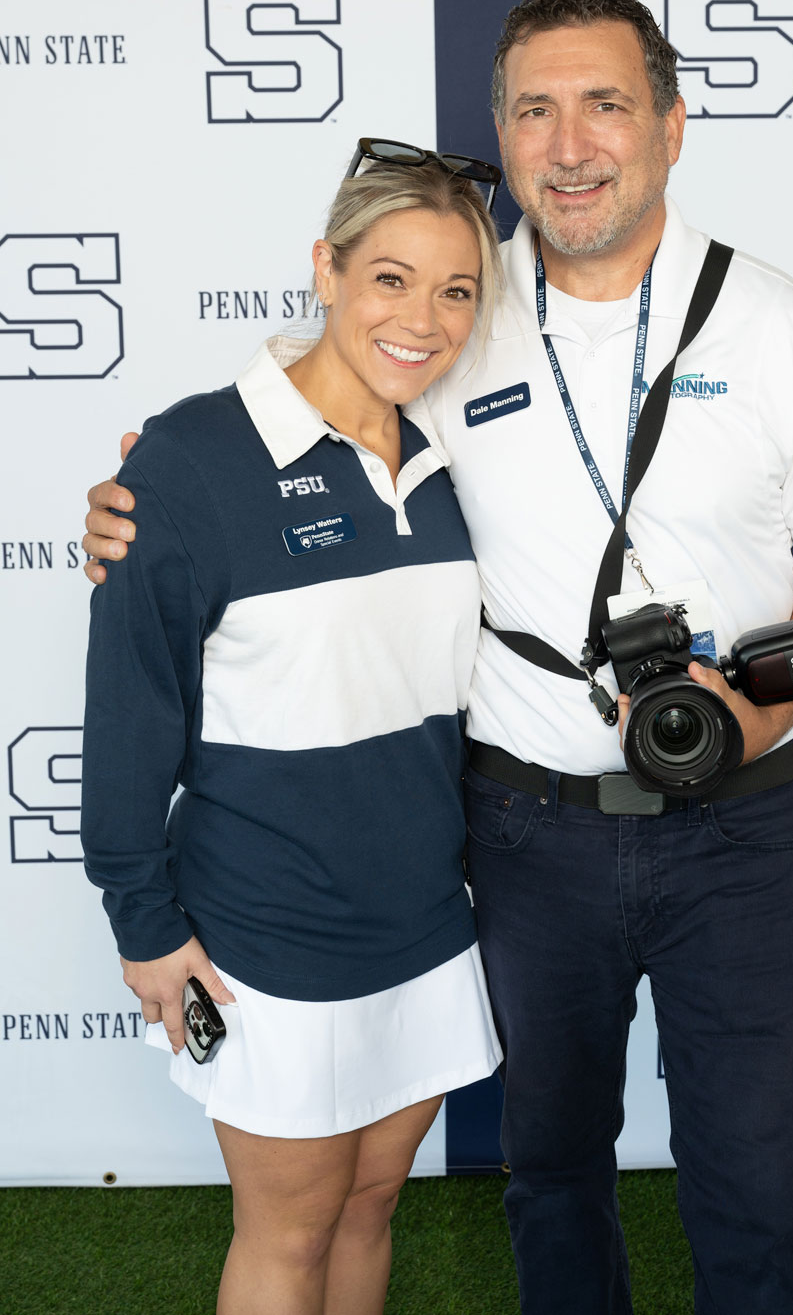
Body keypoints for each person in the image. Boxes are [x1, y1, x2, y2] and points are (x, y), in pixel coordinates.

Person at [84, 0, 793, 1315]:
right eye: (535, 110)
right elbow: (310, 423)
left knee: (758, 1181)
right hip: (527, 833)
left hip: (742, 833)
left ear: (673, 126)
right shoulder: (455, 310)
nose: (570, 144)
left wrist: (747, 712)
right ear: (503, 134)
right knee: (554, 1173)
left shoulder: (774, 323)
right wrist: (149, 496)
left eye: (604, 105)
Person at [80, 148, 505, 1315]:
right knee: (289, 1229)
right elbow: (130, 711)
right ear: (324, 269)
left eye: (456, 290)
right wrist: (142, 920)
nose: (421, 319)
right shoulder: (189, 460)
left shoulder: (453, 458)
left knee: (372, 1207)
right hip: (268, 937)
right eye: (389, 277)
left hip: (425, 920)